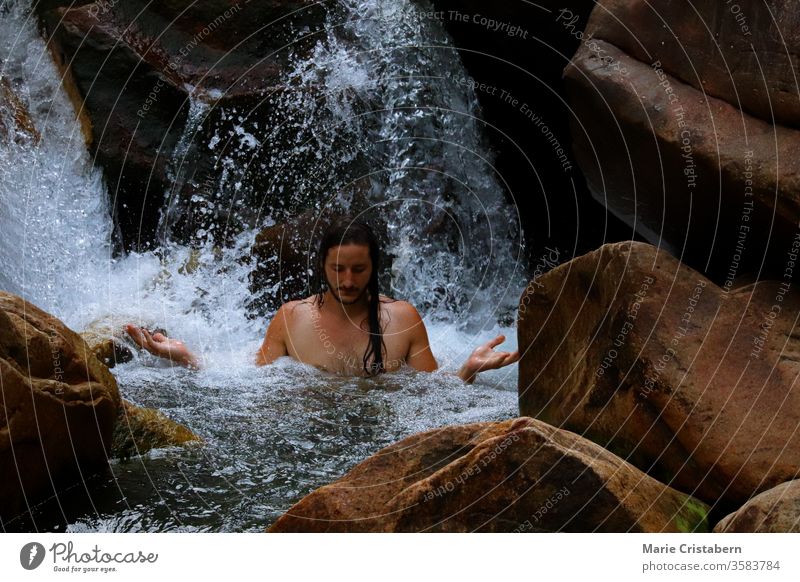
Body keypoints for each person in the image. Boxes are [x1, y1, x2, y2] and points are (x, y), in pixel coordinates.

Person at [126, 217, 519, 383]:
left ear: (375, 267)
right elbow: (245, 381)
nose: (347, 281)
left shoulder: (402, 320)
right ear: (322, 266)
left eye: (358, 270)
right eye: (337, 269)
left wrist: (468, 370)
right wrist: (187, 357)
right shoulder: (292, 318)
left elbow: (434, 394)